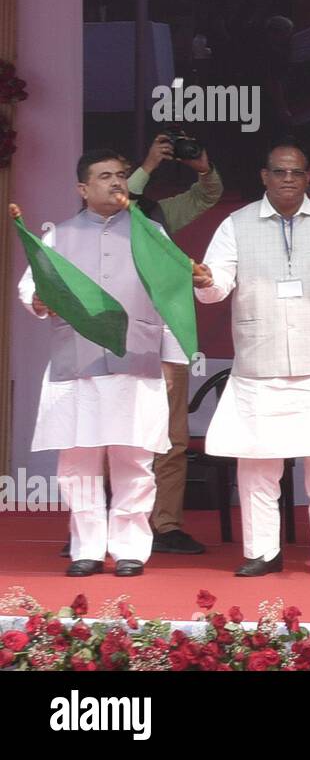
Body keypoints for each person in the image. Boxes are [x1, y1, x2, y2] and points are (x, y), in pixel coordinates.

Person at [192, 137, 310, 577]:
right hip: (260, 362)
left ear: (308, 177)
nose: (288, 179)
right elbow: (218, 287)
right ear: (264, 177)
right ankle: (261, 552)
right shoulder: (236, 224)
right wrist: (202, 280)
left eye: (296, 172)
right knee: (256, 465)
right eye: (279, 172)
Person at [18, 150, 189, 577]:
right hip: (77, 364)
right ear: (83, 188)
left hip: (138, 359)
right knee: (78, 461)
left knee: (134, 458)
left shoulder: (150, 233)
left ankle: (131, 547)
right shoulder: (60, 235)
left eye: (121, 175)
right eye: (105, 176)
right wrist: (38, 301)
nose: (116, 182)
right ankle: (87, 549)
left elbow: (173, 298)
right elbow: (31, 287)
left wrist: (172, 359)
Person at [129, 131, 225, 556]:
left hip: (168, 338)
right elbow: (119, 201)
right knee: (118, 439)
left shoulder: (159, 214)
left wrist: (200, 165)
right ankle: (110, 523)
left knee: (172, 439)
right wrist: (148, 165)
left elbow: (208, 195)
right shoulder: (105, 220)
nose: (119, 189)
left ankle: (164, 524)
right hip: (122, 342)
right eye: (110, 180)